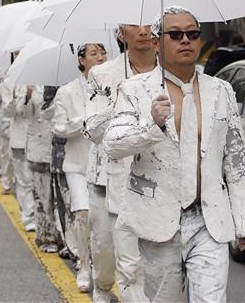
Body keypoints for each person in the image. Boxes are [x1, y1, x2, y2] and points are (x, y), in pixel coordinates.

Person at [103, 6, 245, 302]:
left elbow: (236, 160)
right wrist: (152, 125)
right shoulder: (135, 90)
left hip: (208, 220)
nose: (185, 40)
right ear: (156, 42)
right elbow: (113, 144)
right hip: (159, 220)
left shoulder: (221, 90)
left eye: (192, 34)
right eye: (175, 34)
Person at [84, 25, 156, 303]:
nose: (143, 30)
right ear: (120, 33)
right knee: (105, 248)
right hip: (109, 176)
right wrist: (119, 101)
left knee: (149, 265)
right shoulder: (103, 75)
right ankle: (102, 288)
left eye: (148, 23)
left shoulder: (171, 72)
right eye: (134, 24)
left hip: (157, 180)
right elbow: (92, 131)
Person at [53, 43, 107, 292]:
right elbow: (59, 127)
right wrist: (83, 121)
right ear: (81, 60)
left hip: (106, 164)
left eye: (102, 53)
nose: (99, 57)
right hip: (77, 164)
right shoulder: (67, 92)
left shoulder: (113, 87)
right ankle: (83, 265)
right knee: (83, 214)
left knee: (105, 221)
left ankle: (104, 267)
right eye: (94, 53)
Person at [25, 85, 62, 251]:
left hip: (61, 148)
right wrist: (26, 96)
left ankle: (64, 239)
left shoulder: (67, 84)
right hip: (39, 150)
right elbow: (22, 114)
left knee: (62, 198)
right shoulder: (31, 83)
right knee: (42, 196)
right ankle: (46, 237)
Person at [3, 76, 36, 230]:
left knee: (37, 181)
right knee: (24, 180)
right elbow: (8, 112)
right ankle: (28, 216)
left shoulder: (44, 77)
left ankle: (40, 216)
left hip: (40, 138)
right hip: (19, 139)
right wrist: (22, 97)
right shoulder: (9, 82)